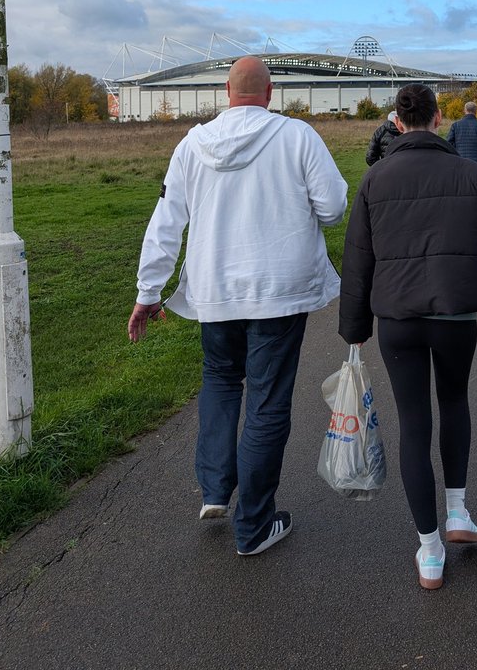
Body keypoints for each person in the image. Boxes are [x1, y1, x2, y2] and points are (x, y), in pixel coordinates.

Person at [128, 56, 347, 556]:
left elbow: (166, 222)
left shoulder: (191, 145)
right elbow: (333, 209)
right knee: (267, 404)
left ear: (227, 92)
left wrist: (148, 293)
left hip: (215, 290)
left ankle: (215, 489)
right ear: (270, 92)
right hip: (279, 290)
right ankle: (254, 525)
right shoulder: (297, 136)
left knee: (221, 381)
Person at [340, 83, 477, 590]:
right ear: (439, 118)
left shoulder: (375, 180)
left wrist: (354, 329)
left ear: (397, 121)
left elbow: (358, 260)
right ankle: (458, 510)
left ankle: (430, 549)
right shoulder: (472, 174)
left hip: (397, 317)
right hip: (455, 313)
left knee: (414, 422)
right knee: (454, 400)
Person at [446, 101, 477, 165]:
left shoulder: (455, 125)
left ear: (465, 110)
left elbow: (448, 142)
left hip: (461, 160)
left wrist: (456, 154)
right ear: (476, 110)